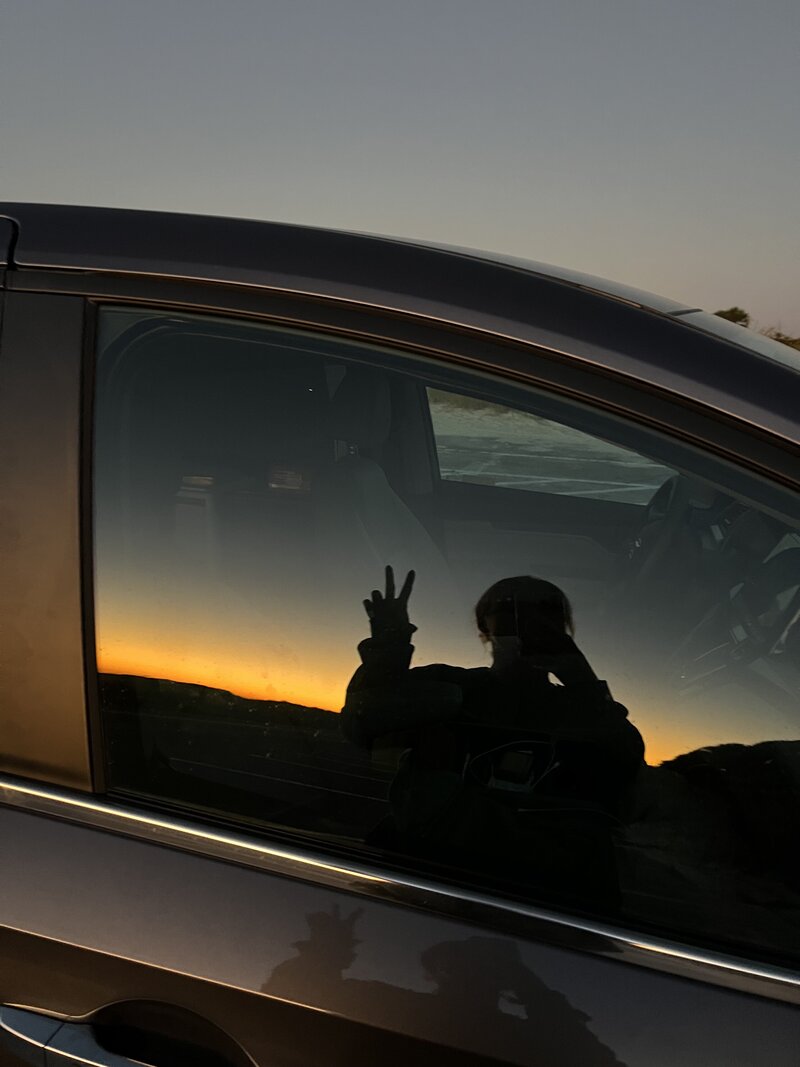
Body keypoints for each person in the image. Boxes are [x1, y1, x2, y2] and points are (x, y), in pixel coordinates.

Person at [342, 567, 644, 911]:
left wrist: (579, 675)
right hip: (423, 885)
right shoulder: (446, 687)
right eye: (509, 606)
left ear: (564, 629)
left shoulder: (584, 711)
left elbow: (627, 764)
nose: (525, 619)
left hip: (558, 901)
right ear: (484, 625)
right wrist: (390, 642)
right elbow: (362, 722)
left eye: (545, 610)